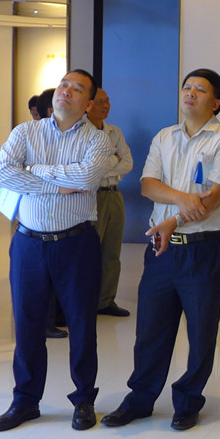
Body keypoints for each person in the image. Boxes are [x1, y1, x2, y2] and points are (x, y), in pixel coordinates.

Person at [101, 69, 220, 432]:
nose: (190, 93)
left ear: (215, 103)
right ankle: (140, 399)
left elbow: (217, 196)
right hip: (161, 250)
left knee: (201, 332)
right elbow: (148, 185)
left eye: (200, 89)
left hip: (203, 249)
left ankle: (188, 401)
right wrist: (184, 200)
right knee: (150, 330)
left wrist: (174, 219)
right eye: (187, 87)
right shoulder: (164, 137)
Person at [0, 69, 109, 432]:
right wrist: (58, 184)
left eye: (77, 89)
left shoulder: (97, 139)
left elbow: (86, 178)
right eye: (63, 85)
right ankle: (25, 401)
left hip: (76, 243)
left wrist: (34, 170)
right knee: (27, 325)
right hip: (28, 244)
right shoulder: (25, 132)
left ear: (88, 104)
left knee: (82, 325)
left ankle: (84, 400)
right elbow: (1, 174)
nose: (66, 91)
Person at [87, 88, 135, 318]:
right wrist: (114, 159)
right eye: (100, 102)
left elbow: (128, 163)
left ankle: (106, 301)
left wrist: (108, 164)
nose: (105, 106)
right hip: (91, 195)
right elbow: (89, 170)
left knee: (112, 251)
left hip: (114, 194)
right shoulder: (81, 131)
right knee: (90, 251)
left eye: (107, 101)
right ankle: (86, 301)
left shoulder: (115, 131)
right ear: (88, 105)